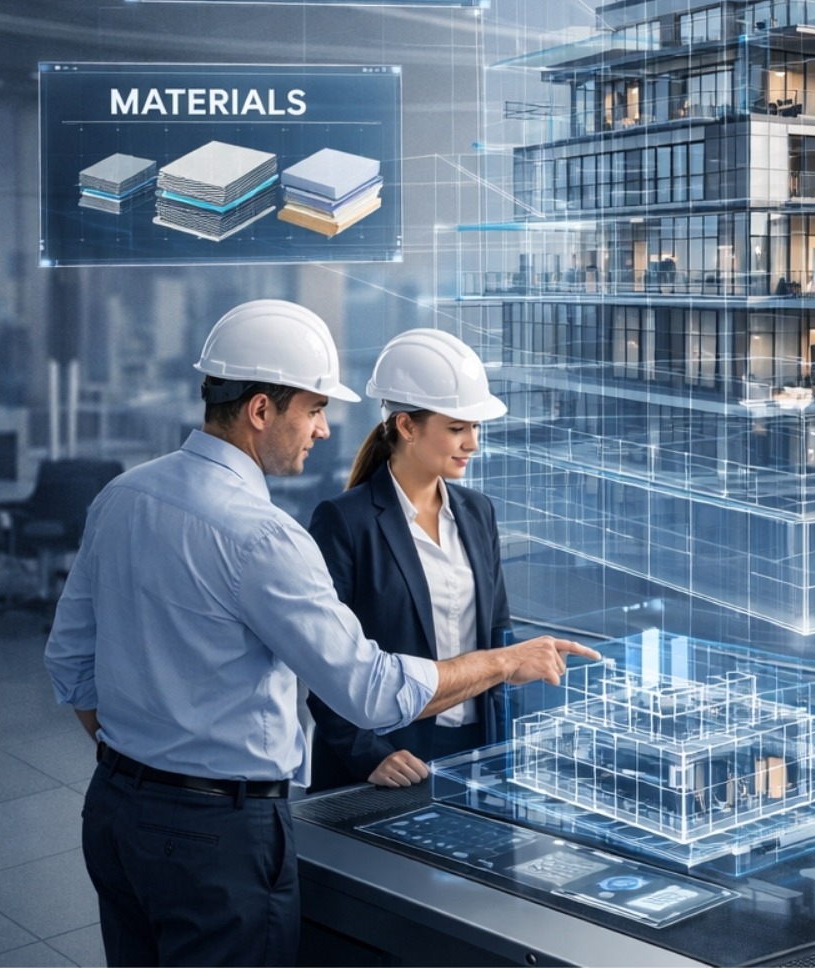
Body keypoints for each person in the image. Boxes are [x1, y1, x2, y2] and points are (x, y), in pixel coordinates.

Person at [43, 299, 599, 967]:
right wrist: (501, 664)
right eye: (312, 409)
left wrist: (142, 769)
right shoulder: (264, 537)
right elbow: (368, 689)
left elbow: (71, 661)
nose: (325, 430)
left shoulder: (122, 496)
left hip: (116, 812)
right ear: (259, 411)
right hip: (219, 837)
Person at [307, 328, 514, 792]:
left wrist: (506, 745)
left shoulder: (477, 513)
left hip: (475, 755)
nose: (472, 443)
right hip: (388, 762)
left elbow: (498, 634)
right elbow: (321, 661)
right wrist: (368, 754)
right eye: (457, 428)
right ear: (406, 426)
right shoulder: (344, 521)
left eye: (475, 428)